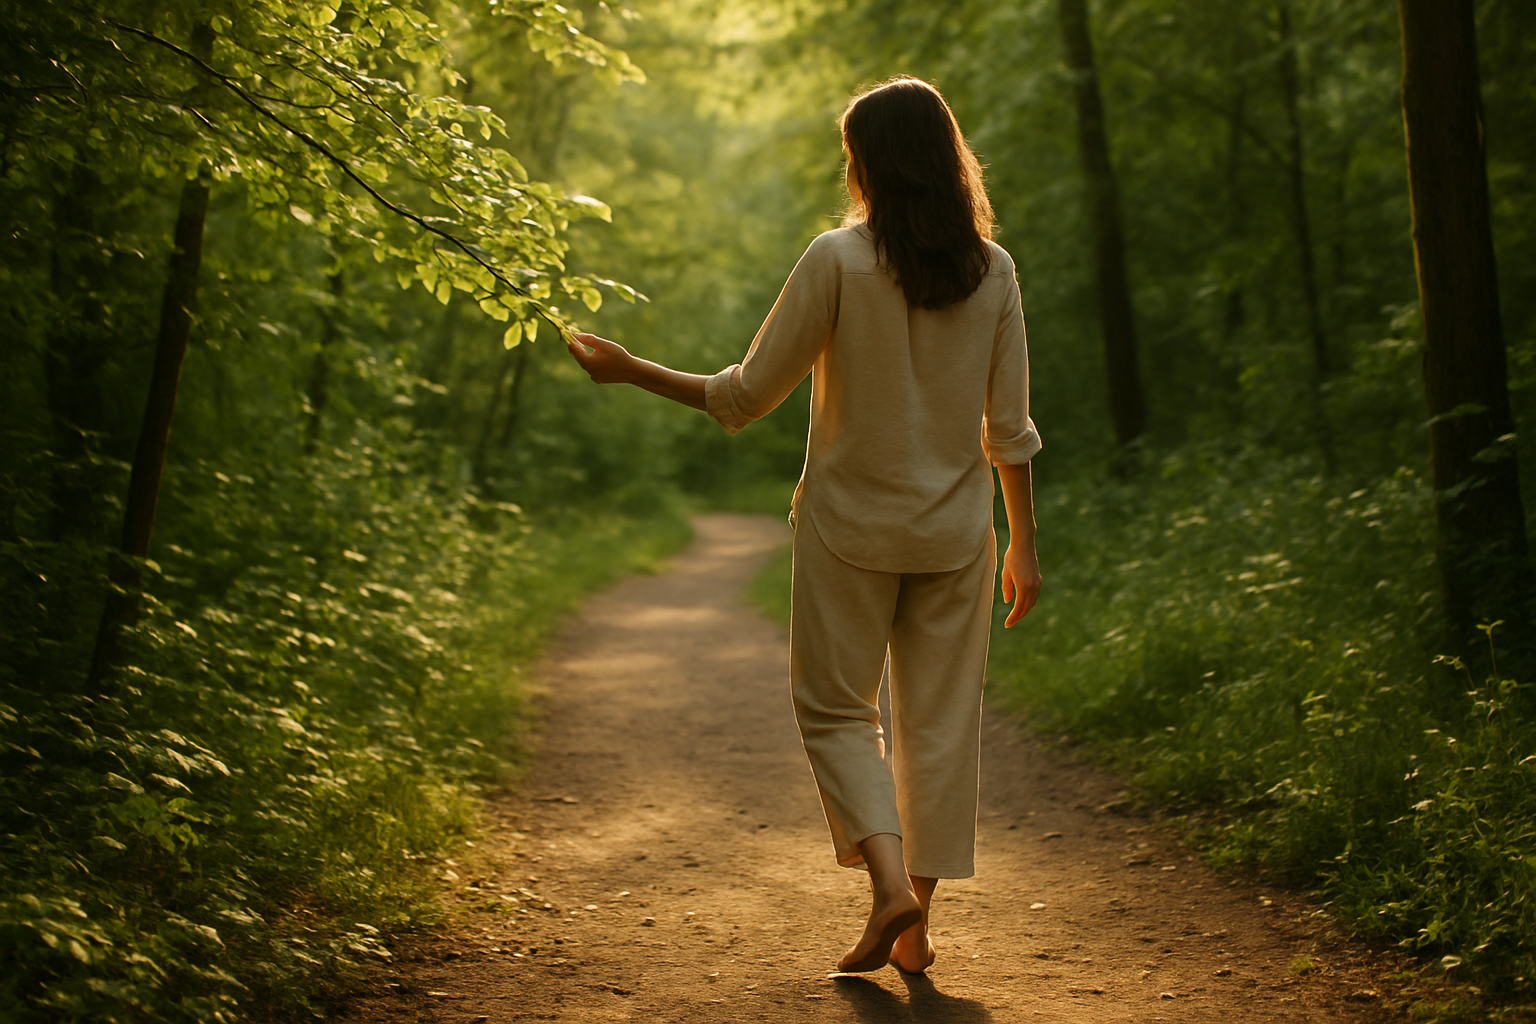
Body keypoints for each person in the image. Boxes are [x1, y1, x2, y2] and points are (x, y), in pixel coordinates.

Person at [566, 76, 1042, 975]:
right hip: (955, 538)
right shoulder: (997, 271)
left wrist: (632, 371)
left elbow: (747, 396)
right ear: (946, 159)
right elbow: (1007, 430)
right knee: (940, 725)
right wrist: (1022, 543)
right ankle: (915, 929)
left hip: (848, 529)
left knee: (834, 711)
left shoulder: (836, 259)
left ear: (869, 163)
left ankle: (891, 888)